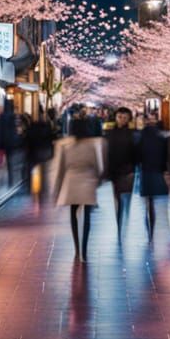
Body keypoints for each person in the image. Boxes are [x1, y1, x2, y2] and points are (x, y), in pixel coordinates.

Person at [54, 119, 103, 260]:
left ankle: (76, 247)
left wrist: (57, 189)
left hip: (71, 182)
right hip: (87, 181)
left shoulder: (66, 147)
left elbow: (61, 169)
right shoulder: (90, 147)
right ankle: (84, 248)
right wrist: (98, 180)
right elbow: (96, 166)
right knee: (87, 216)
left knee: (73, 214)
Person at [105, 106, 139, 236]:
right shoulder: (110, 133)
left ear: (129, 119)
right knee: (118, 197)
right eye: (119, 117)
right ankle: (120, 221)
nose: (122, 120)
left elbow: (136, 152)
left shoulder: (132, 134)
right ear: (115, 117)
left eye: (125, 118)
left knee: (126, 197)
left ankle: (124, 220)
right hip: (114, 170)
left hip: (128, 169)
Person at [137, 112, 169, 237]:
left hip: (146, 169)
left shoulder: (142, 136)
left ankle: (149, 226)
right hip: (156, 170)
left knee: (149, 201)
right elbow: (165, 154)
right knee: (152, 201)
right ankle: (151, 226)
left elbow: (138, 154)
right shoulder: (160, 136)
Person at [25, 111, 57, 205]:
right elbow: (52, 138)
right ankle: (44, 189)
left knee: (32, 170)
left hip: (35, 153)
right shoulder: (47, 127)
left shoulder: (31, 127)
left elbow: (28, 140)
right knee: (44, 172)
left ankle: (32, 188)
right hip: (45, 152)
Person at [0, 99, 22, 187]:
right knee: (10, 162)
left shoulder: (1, 117)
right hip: (11, 143)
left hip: (3, 142)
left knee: (0, 162)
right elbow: (15, 131)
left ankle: (0, 181)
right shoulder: (13, 117)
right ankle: (10, 180)